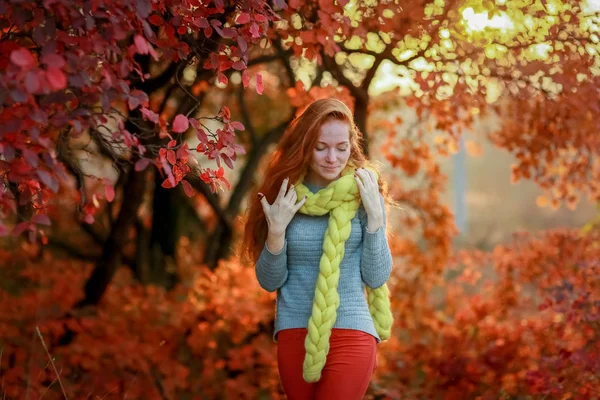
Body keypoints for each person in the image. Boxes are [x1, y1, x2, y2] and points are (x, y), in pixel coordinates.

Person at [241, 98, 393, 400]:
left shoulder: (365, 194)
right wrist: (276, 233)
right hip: (294, 332)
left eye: (341, 147)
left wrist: (376, 219)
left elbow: (376, 278)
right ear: (304, 146)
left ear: (352, 145)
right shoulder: (282, 195)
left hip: (351, 330)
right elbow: (269, 281)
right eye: (321, 147)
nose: (332, 158)